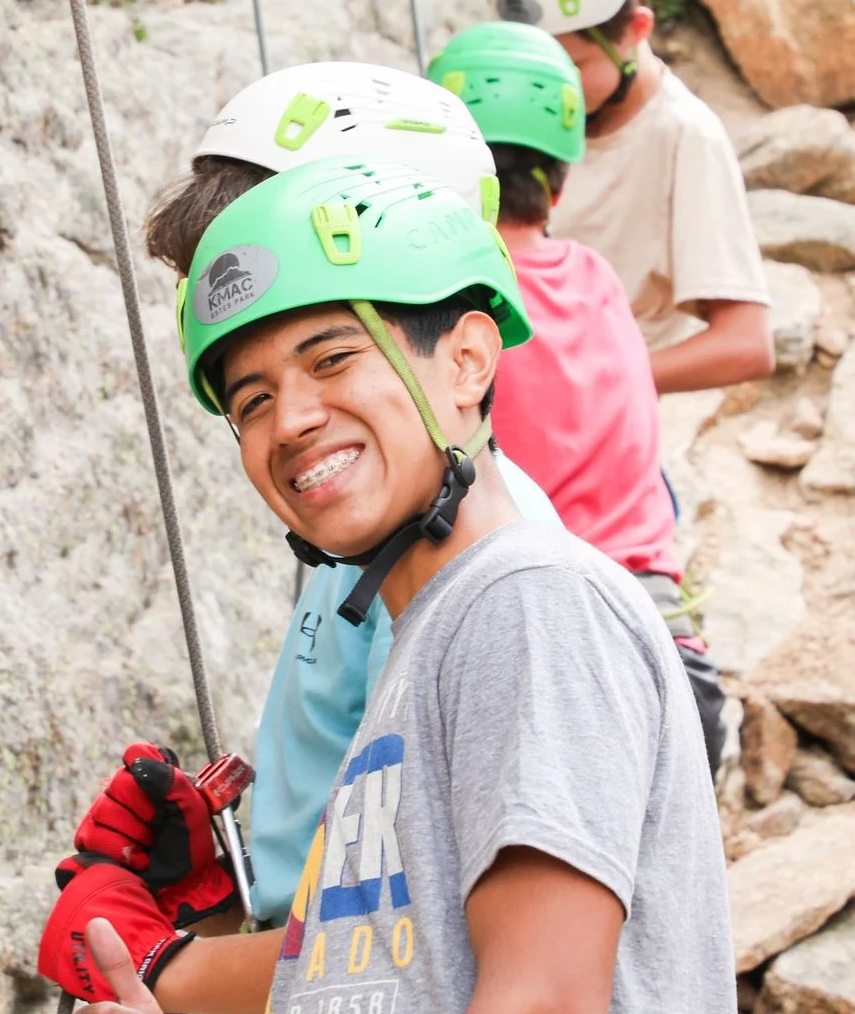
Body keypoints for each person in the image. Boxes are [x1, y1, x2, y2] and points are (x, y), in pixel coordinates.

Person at [42, 157, 736, 1014]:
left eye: (331, 359)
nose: (290, 419)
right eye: (249, 401)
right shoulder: (416, 668)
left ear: (466, 360)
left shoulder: (530, 600)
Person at [137, 62, 573, 931]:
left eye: (327, 350)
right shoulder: (365, 550)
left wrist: (163, 964)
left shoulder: (486, 590)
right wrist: (218, 890)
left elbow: (414, 942)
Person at [427, 19, 726, 766]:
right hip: (668, 644)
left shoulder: (457, 309)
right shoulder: (595, 277)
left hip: (554, 637)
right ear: (563, 175)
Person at [485, 0, 774, 395]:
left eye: (571, 65)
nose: (550, 92)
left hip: (602, 420)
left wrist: (594, 384)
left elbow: (746, 343)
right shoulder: (513, 99)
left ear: (637, 30)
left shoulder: (684, 138)